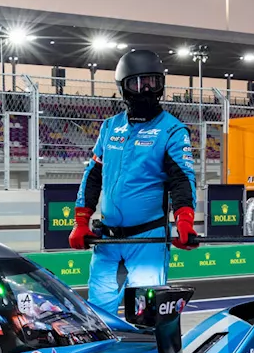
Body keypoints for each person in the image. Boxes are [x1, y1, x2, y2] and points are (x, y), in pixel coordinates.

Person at [70, 49, 196, 315]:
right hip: (108, 239)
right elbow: (93, 175)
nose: (146, 90)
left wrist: (184, 219)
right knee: (99, 314)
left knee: (147, 313)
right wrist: (81, 221)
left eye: (153, 82)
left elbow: (182, 179)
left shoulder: (172, 130)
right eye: (137, 83)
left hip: (148, 240)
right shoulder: (109, 127)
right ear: (123, 88)